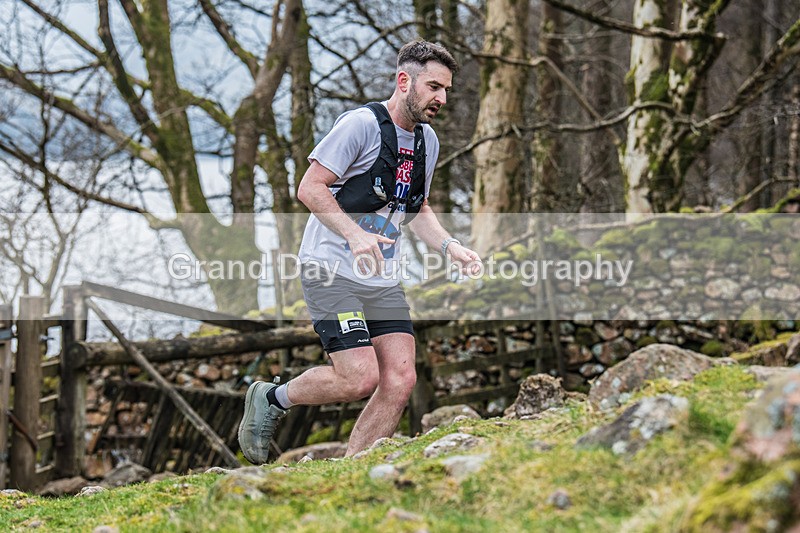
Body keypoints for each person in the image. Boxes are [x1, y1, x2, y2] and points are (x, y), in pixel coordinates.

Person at [238, 39, 481, 464]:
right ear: (404, 81)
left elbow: (416, 207)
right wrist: (353, 233)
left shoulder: (428, 142)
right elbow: (309, 188)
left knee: (401, 379)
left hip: (382, 279)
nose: (441, 98)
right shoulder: (361, 126)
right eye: (433, 87)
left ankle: (356, 466)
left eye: (446, 90)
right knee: (359, 377)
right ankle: (272, 397)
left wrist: (450, 245)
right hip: (330, 271)